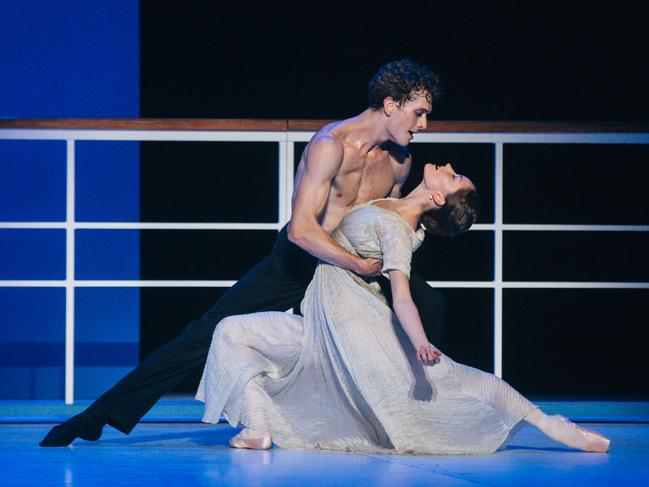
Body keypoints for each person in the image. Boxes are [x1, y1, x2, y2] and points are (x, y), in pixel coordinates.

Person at [40, 58, 448, 447]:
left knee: (427, 303)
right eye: (418, 113)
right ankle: (95, 417)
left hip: (350, 269)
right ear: (391, 104)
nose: (424, 125)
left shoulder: (400, 161)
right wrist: (357, 263)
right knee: (204, 333)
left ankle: (412, 414)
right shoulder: (330, 146)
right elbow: (303, 231)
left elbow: (382, 220)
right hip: (300, 261)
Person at [196, 164, 611, 454]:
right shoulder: (391, 206)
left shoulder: (397, 231)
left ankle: (550, 425)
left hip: (346, 334)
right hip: (321, 328)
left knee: (454, 377)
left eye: (452, 176)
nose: (447, 166)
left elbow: (402, 295)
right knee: (232, 332)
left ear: (436, 196)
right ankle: (258, 428)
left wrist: (420, 343)